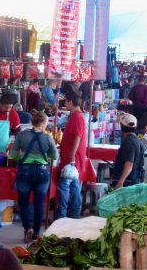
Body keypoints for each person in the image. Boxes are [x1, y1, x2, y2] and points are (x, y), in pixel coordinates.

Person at [11, 110, 58, 242]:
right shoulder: (48, 137)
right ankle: (37, 233)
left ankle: (27, 228)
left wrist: (23, 155)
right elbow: (55, 156)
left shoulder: (22, 135)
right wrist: (44, 156)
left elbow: (13, 155)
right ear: (43, 124)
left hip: (24, 170)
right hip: (42, 172)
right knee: (39, 203)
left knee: (23, 203)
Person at [57, 91, 86, 219]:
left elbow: (78, 137)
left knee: (65, 186)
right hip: (71, 157)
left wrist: (72, 155)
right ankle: (73, 215)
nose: (65, 105)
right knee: (74, 186)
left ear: (70, 102)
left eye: (66, 102)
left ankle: (63, 216)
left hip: (72, 159)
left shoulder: (77, 116)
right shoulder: (75, 115)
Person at [112, 112, 145, 189]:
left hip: (128, 182)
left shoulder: (129, 141)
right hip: (134, 179)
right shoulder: (137, 140)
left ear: (122, 126)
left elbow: (129, 163)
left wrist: (120, 182)